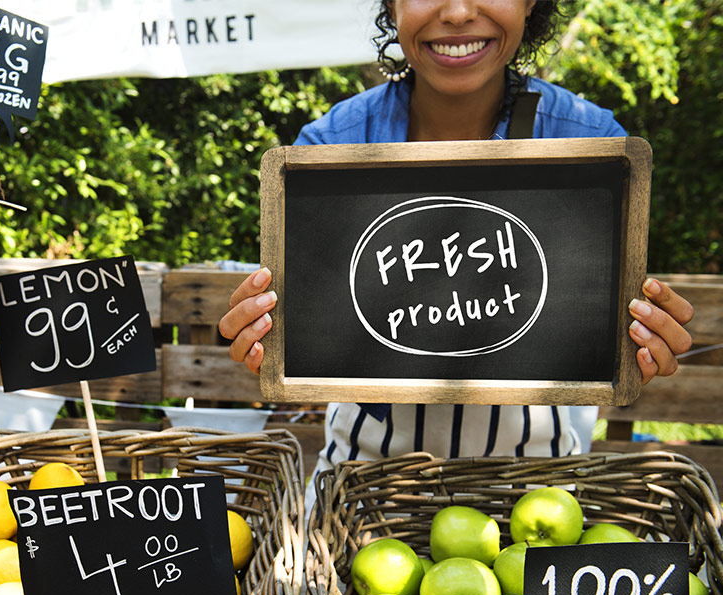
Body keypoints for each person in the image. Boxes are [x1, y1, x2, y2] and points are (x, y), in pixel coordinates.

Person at [218, 0, 694, 488]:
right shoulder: (326, 150)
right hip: (362, 488)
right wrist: (268, 330)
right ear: (391, 5)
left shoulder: (595, 148)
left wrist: (643, 338)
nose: (459, 11)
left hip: (539, 489)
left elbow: (605, 324)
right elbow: (302, 328)